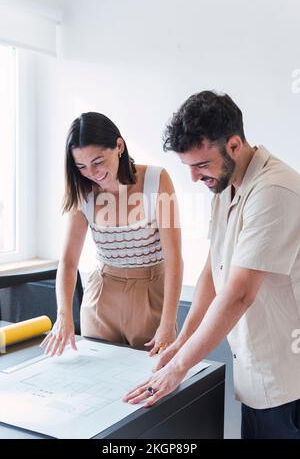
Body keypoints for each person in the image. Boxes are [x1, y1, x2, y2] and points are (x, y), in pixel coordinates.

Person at [123, 91, 300, 439]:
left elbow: (238, 294)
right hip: (258, 370)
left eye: (200, 165)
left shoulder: (275, 190)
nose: (193, 178)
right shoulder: (225, 185)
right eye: (188, 166)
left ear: (234, 145)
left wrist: (178, 368)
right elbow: (212, 269)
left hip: (288, 377)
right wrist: (181, 341)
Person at [41, 112, 183, 356]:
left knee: (152, 381)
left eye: (98, 162)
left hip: (151, 295)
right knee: (98, 381)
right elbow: (68, 261)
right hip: (101, 297)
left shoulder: (157, 180)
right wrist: (63, 316)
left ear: (119, 146)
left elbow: (174, 258)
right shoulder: (83, 192)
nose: (92, 173)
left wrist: (168, 323)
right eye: (81, 166)